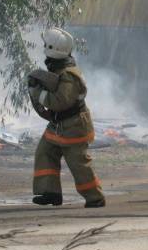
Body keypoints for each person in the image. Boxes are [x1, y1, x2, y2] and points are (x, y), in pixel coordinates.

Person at [27, 27, 105, 208]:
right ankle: (50, 193)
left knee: (78, 163)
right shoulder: (60, 70)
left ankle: (95, 198)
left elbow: (59, 101)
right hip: (60, 125)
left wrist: (37, 91)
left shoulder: (69, 75)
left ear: (53, 49)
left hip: (73, 126)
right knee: (45, 152)